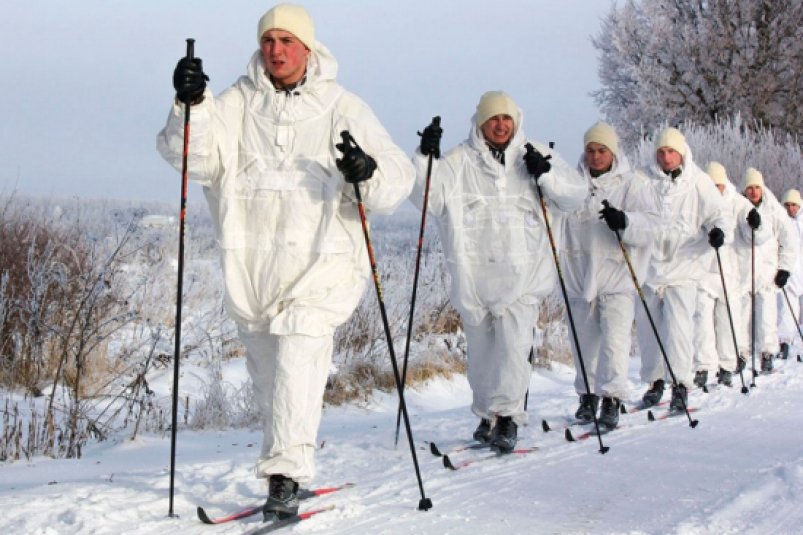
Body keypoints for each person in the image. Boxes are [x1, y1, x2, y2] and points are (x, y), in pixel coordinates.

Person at [157, 3, 414, 519]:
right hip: (252, 269)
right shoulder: (234, 103)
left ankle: (285, 475)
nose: (276, 50)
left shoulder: (343, 106)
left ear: (308, 48)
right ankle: (287, 458)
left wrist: (366, 170)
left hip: (323, 266)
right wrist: (191, 104)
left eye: (287, 41)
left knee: (299, 358)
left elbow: (398, 179)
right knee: (273, 380)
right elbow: (194, 159)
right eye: (269, 40)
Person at [411, 91, 586, 452]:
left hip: (525, 276)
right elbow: (428, 198)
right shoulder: (458, 161)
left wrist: (547, 176)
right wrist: (425, 159)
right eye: (494, 119)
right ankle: (487, 414)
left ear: (516, 120)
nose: (501, 125)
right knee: (482, 356)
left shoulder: (535, 155)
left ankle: (508, 418)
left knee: (513, 349)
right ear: (480, 123)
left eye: (506, 119)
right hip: (474, 278)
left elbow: (574, 196)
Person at [558, 122, 659, 429]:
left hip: (617, 275)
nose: (595, 156)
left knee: (614, 341)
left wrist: (624, 221)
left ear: (612, 152)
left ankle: (612, 398)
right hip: (580, 277)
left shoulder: (633, 184)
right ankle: (587, 394)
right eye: (590, 150)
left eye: (601, 150)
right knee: (583, 343)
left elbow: (653, 223)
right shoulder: (573, 184)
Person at [636, 127, 729, 412]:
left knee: (678, 329)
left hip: (684, 266)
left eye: (671, 151)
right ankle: (655, 381)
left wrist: (717, 232)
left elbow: (718, 214)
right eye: (661, 152)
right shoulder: (642, 179)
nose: (666, 157)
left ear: (682, 153)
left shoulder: (698, 181)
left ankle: (680, 384)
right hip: (650, 268)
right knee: (648, 329)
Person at [691, 162, 751, 388]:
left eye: (719, 185)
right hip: (705, 270)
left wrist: (756, 224)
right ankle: (703, 366)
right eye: (712, 185)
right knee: (702, 323)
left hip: (728, 271)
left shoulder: (738, 203)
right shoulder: (699, 202)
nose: (716, 190)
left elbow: (754, 228)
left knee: (728, 321)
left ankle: (727, 365)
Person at [736, 169, 798, 373]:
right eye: (749, 188)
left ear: (762, 188)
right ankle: (741, 354)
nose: (753, 192)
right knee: (741, 316)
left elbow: (789, 241)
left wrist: (784, 269)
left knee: (766, 316)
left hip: (766, 272)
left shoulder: (774, 210)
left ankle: (767, 353)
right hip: (742, 271)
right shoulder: (738, 207)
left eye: (756, 187)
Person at [777, 189, 803, 359]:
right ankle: (784, 342)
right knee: (786, 309)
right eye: (787, 205)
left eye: (794, 205)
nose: (790, 208)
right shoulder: (781, 222)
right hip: (790, 272)